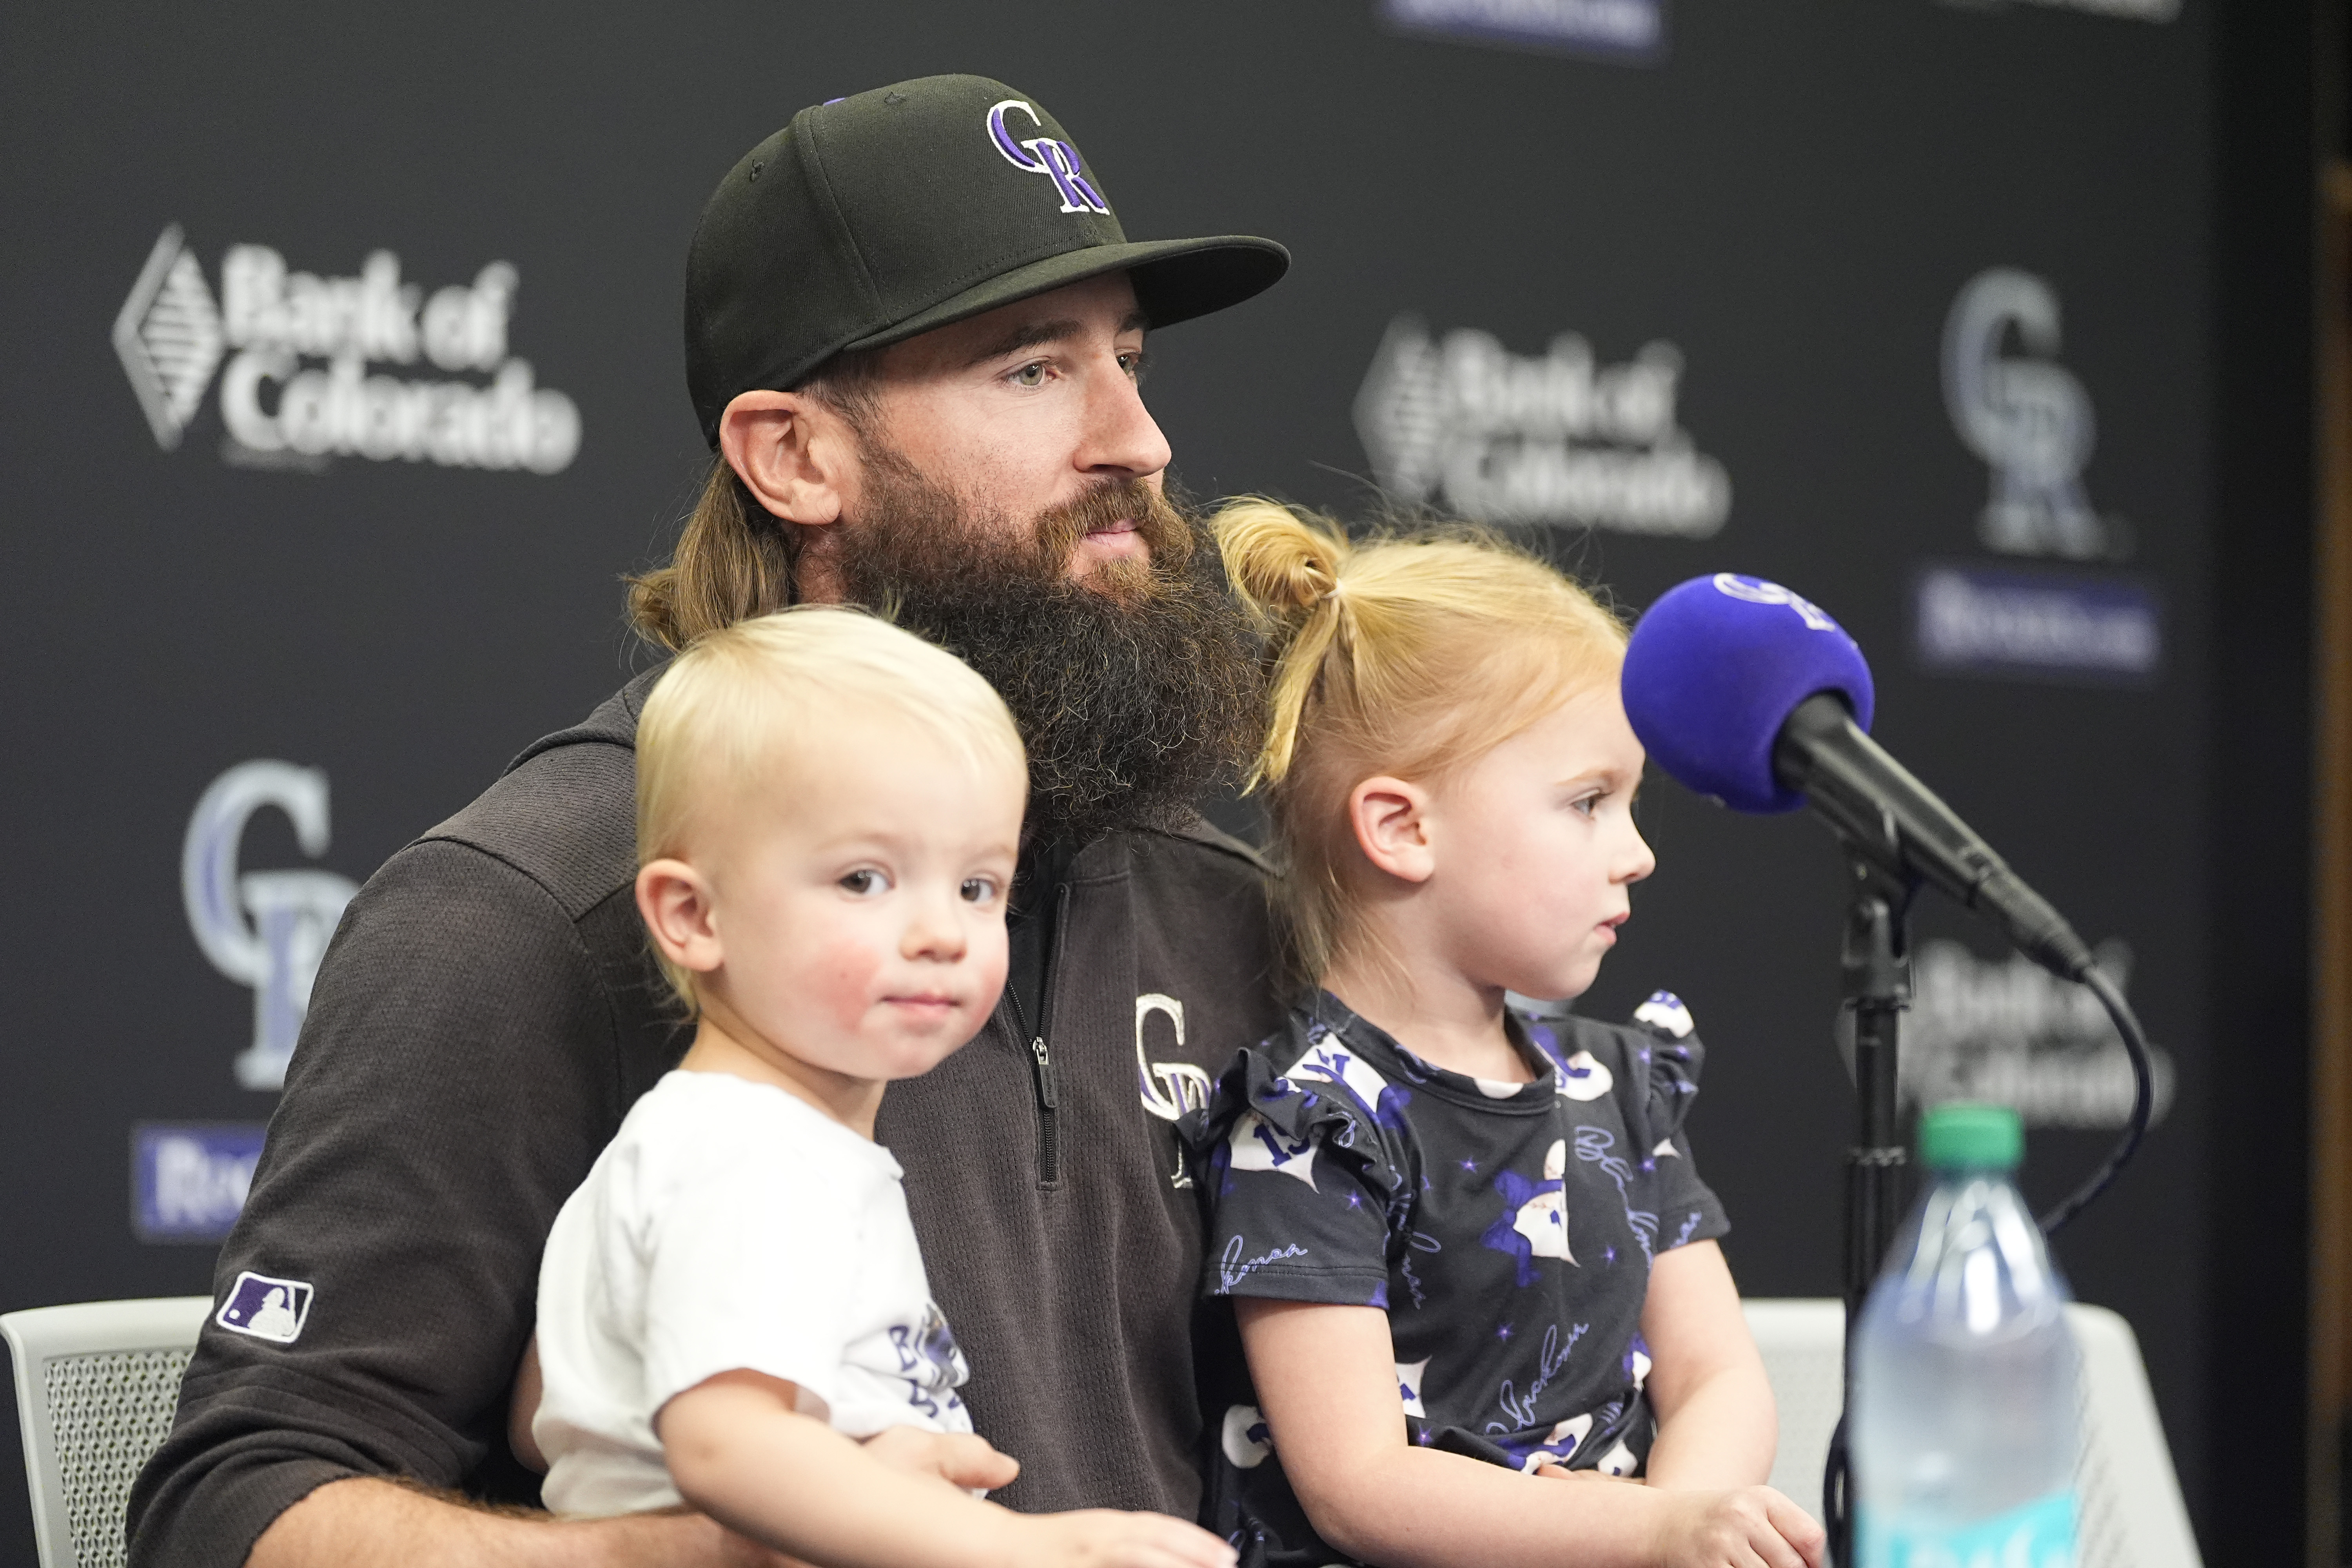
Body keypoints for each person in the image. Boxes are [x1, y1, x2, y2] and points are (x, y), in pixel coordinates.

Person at [129, 74, 1290, 1568]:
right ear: (794, 456)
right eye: (1031, 371)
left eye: (1128, 361)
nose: (1137, 439)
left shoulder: (1213, 899)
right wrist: (703, 1552)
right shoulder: (539, 902)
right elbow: (237, 1512)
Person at [1186, 501, 1827, 1568]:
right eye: (1588, 802)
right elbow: (1360, 1484)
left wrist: (1686, 1525)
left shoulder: (1620, 1085)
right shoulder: (1313, 1123)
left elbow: (1717, 1373)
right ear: (1403, 828)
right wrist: (1649, 1532)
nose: (1638, 855)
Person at [526, 606, 1230, 1568]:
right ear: (692, 915)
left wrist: (859, 1450)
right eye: (865, 878)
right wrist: (1024, 1549)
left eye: (979, 886)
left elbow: (551, 1411)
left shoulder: (729, 1142)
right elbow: (725, 1444)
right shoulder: (749, 1156)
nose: (942, 930)